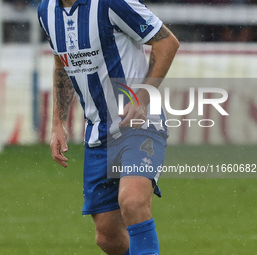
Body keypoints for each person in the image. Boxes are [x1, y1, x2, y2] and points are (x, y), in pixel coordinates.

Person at [38, 0, 179, 254]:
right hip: (98, 132)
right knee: (108, 236)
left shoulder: (111, 3)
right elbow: (62, 63)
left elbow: (167, 42)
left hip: (139, 124)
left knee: (133, 201)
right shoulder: (45, 11)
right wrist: (57, 123)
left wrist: (142, 98)